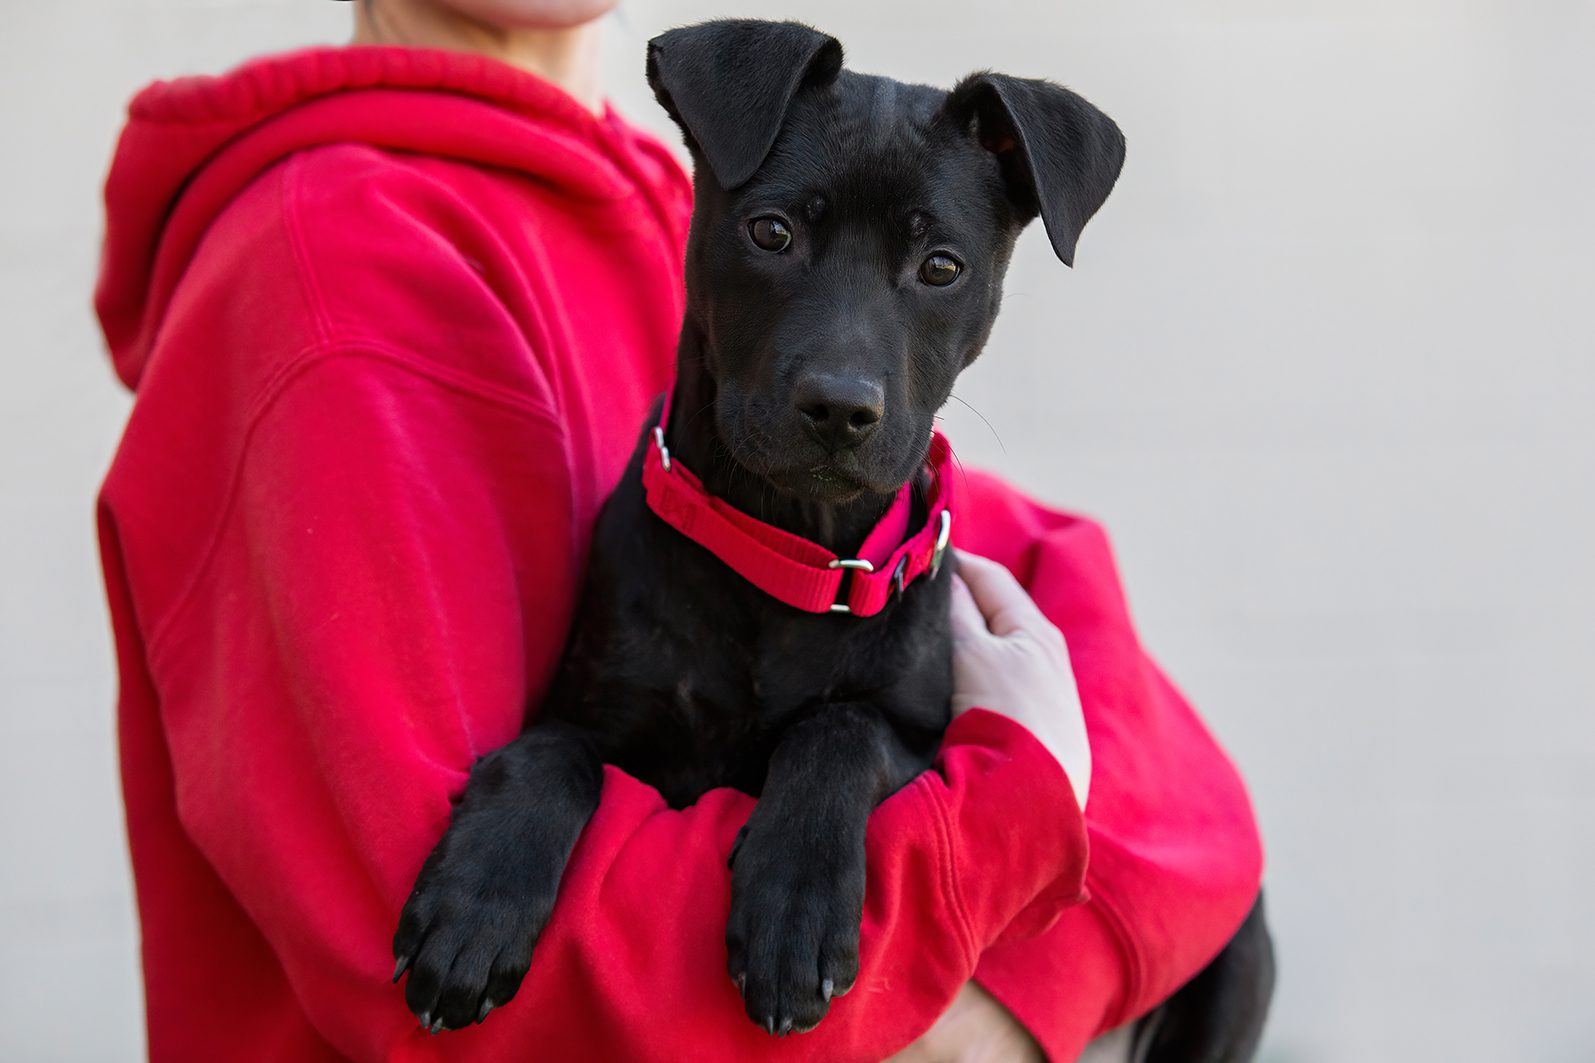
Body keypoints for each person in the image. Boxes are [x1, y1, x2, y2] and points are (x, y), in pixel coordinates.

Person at [93, 1, 1264, 1059]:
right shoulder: (333, 279)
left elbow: (1133, 713)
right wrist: (994, 921)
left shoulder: (670, 208)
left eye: (936, 267)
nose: (845, 378)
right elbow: (443, 958)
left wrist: (1035, 925)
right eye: (774, 241)